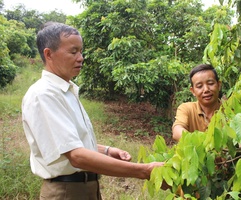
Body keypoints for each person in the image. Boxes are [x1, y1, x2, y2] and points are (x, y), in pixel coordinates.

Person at [22, 22, 163, 200]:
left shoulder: (67, 91)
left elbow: (67, 143)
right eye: (73, 52)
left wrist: (105, 150)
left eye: (81, 51)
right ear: (49, 54)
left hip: (86, 188)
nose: (80, 58)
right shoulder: (43, 94)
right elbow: (76, 156)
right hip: (66, 193)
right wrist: (145, 170)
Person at [172, 64, 222, 142]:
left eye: (210, 83)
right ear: (193, 91)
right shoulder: (187, 109)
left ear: (219, 85)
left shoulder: (230, 110)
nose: (206, 90)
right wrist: (202, 143)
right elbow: (177, 131)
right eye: (199, 86)